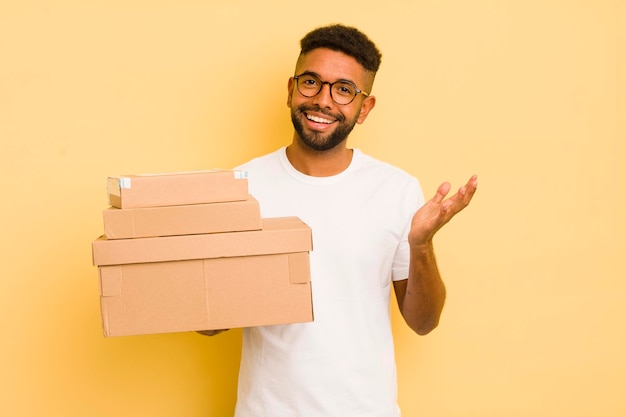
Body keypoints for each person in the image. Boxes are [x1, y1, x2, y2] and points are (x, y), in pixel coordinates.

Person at [199, 24, 478, 417]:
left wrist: (422, 245)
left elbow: (423, 322)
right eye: (311, 82)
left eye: (344, 89)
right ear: (291, 89)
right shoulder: (242, 187)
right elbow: (209, 326)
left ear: (365, 108)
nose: (322, 100)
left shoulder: (396, 189)